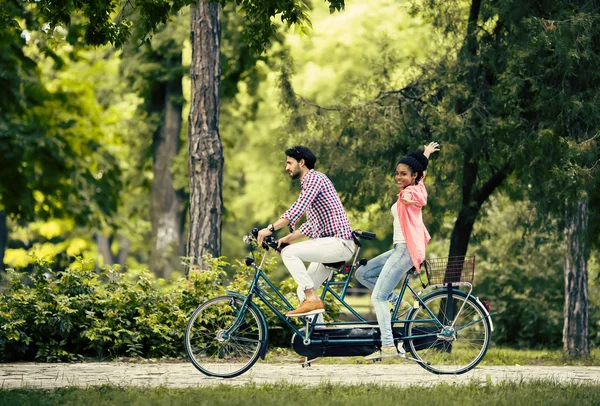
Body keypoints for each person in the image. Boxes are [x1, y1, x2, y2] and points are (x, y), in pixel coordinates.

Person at [356, 142, 439, 360]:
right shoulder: (416, 184)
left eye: (403, 174)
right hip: (398, 249)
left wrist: (409, 198)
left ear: (414, 177)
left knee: (378, 298)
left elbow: (420, 199)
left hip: (405, 250)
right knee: (362, 274)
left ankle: (388, 346)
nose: (398, 177)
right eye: (397, 173)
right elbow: (422, 175)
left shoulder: (410, 193)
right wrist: (426, 154)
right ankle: (399, 304)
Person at [257, 146, 355, 317]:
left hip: (339, 243)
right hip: (332, 244)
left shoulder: (314, 179)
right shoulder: (312, 183)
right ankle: (319, 337)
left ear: (301, 163)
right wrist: (288, 238)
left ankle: (312, 298)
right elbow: (311, 225)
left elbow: (296, 209)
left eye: (289, 163)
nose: (287, 167)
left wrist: (270, 228)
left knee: (288, 254)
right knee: (304, 290)